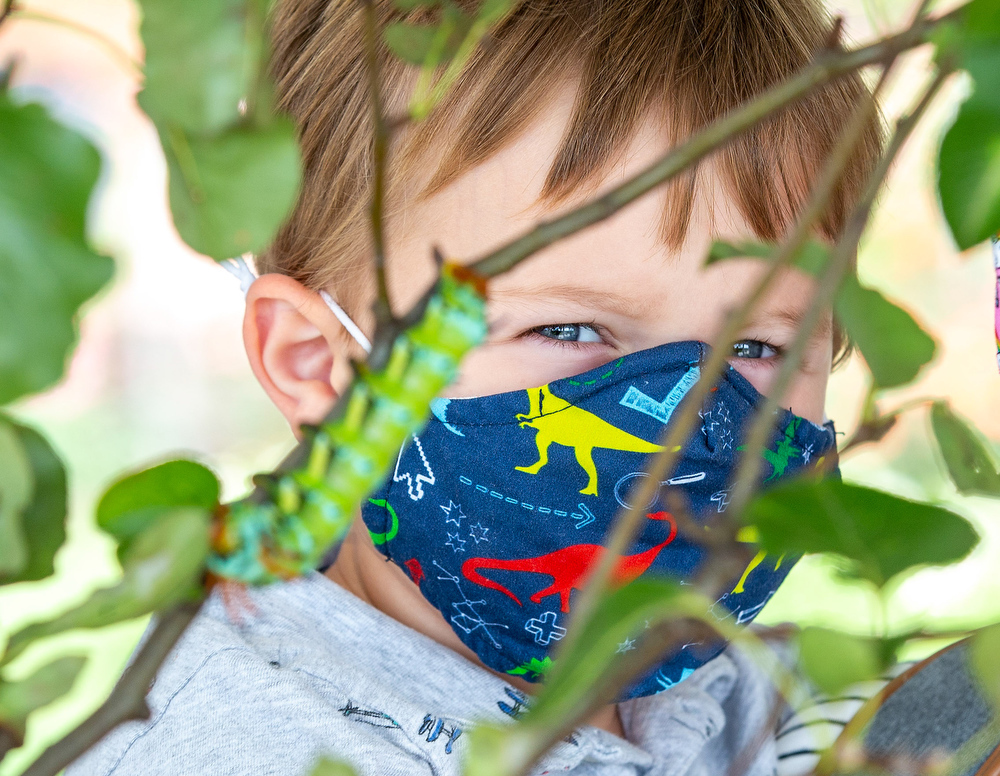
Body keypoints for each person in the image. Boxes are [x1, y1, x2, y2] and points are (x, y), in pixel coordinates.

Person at [67, 0, 883, 774]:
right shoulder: (222, 750)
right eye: (566, 330)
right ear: (317, 363)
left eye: (755, 344)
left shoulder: (785, 706)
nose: (688, 423)